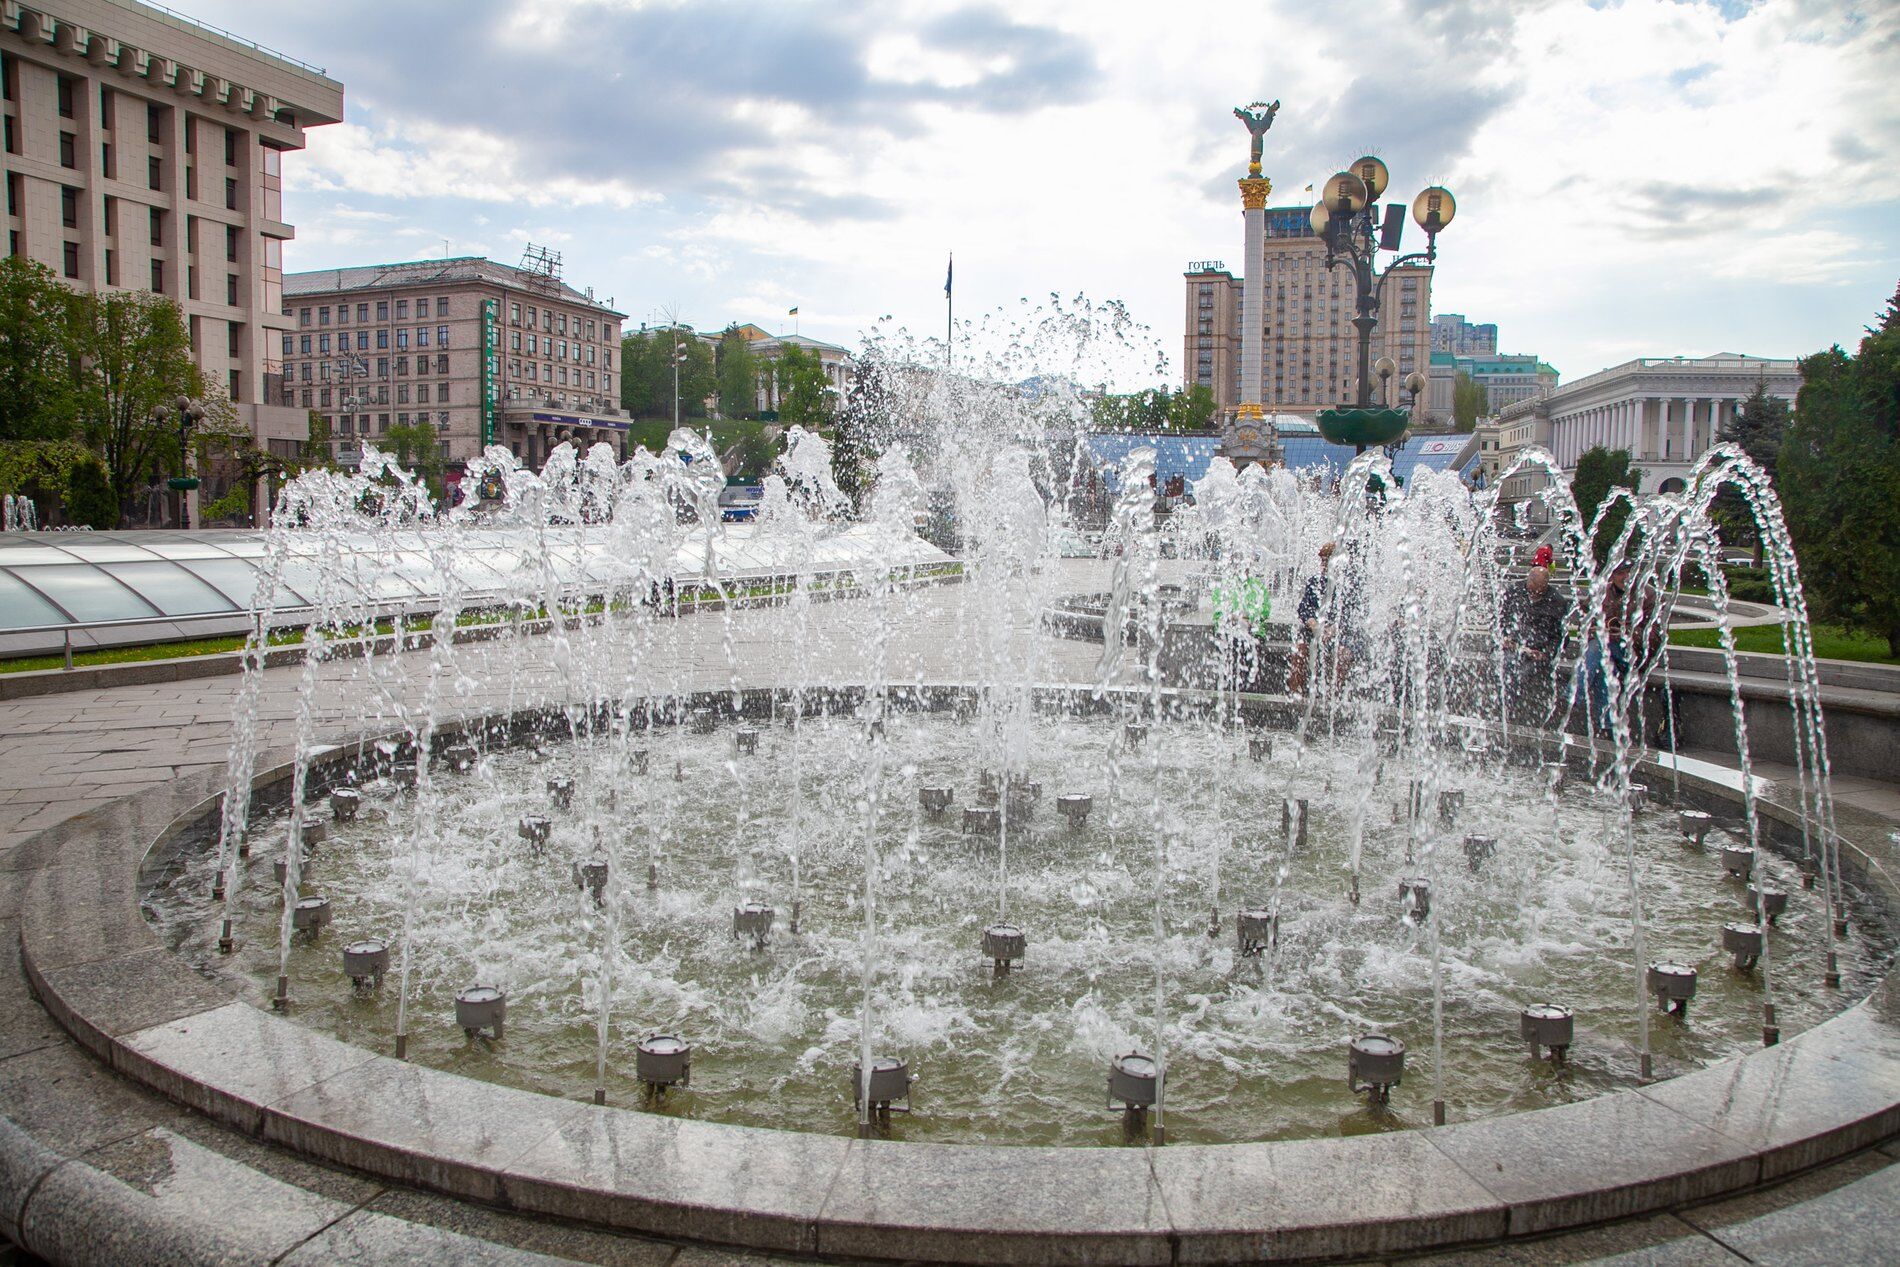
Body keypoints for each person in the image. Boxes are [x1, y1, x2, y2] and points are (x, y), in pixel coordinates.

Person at [1575, 561, 1660, 735]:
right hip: (1605, 654)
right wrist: (1591, 630)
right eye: (1620, 573)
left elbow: (1655, 635)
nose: (1625, 578)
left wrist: (1624, 633)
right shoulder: (1601, 592)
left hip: (1635, 655)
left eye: (1629, 572)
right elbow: (1583, 623)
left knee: (1599, 646)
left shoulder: (1649, 595)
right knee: (1605, 668)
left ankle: (1575, 694)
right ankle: (1608, 726)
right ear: (1612, 575)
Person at [1286, 542, 1362, 693]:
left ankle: (1334, 695)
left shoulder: (1351, 585)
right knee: (1299, 650)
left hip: (1342, 634)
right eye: (1323, 561)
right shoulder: (1315, 582)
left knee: (1342, 654)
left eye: (1328, 561)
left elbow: (1352, 613)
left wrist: (1333, 629)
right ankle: (1296, 694)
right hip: (1316, 632)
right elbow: (1304, 607)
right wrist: (1313, 623)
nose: (1324, 565)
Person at [1500, 566, 1567, 718]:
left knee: (1522, 671)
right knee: (1510, 664)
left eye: (1539, 590)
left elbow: (1560, 636)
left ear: (1546, 585)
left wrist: (1546, 654)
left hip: (1537, 651)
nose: (1535, 593)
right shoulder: (1514, 592)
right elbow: (1500, 619)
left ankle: (1507, 710)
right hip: (1513, 646)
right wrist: (1504, 638)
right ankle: (1506, 709)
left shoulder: (1556, 601)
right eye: (1532, 588)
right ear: (1528, 581)